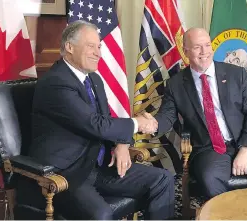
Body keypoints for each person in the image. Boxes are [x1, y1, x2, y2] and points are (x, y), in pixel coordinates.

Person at [16, 20, 174, 220]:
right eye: (91, 46)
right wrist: (138, 123)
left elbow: (105, 120)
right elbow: (95, 124)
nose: (98, 52)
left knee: (162, 179)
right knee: (101, 214)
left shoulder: (94, 79)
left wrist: (122, 143)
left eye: (99, 46)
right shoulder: (56, 83)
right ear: (69, 47)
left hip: (98, 164)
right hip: (66, 172)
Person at [145, 28, 247, 199]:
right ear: (186, 51)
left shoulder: (236, 74)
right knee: (209, 177)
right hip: (210, 147)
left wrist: (246, 149)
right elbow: (167, 116)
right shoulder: (176, 84)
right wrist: (152, 124)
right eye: (197, 47)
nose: (204, 52)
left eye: (207, 45)